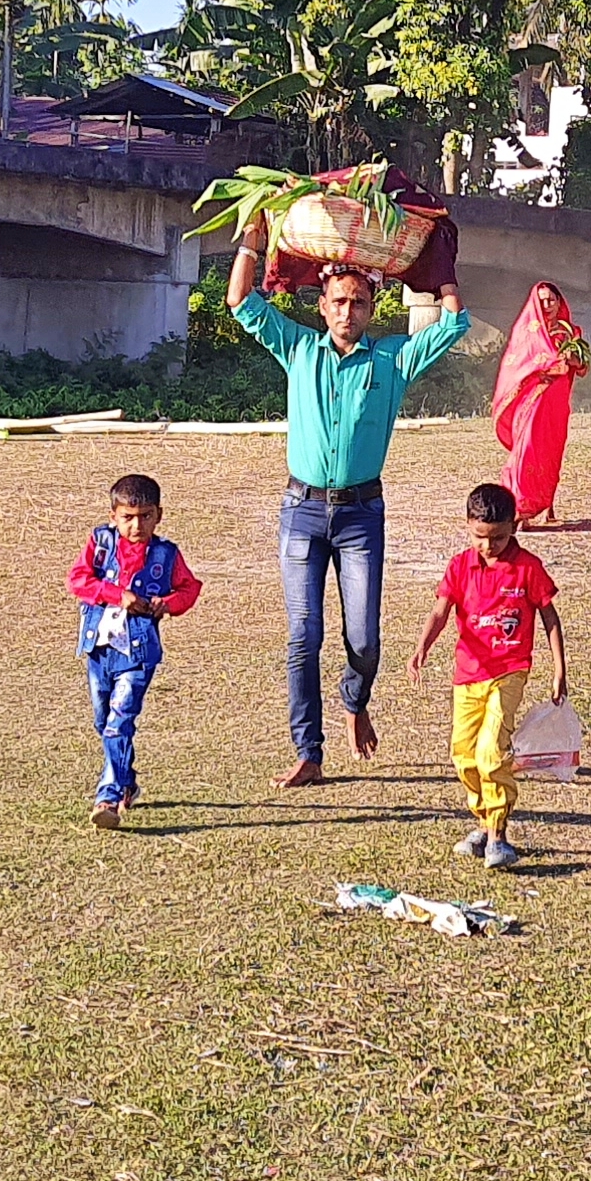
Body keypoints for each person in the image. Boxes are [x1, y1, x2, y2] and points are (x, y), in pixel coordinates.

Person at [227, 214, 467, 786]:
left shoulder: (391, 360)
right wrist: (253, 243)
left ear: (371, 308)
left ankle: (355, 701)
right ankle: (308, 750)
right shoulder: (299, 350)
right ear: (322, 305)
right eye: (338, 301)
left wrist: (441, 270)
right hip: (301, 511)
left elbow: (455, 325)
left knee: (363, 637)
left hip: (361, 514)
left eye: (358, 303)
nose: (346, 312)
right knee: (302, 635)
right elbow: (239, 300)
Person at [408, 480, 566, 871]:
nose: (488, 546)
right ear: (467, 526)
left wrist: (559, 667)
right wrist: (422, 647)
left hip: (509, 672)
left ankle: (498, 833)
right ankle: (481, 820)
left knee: (491, 751)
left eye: (497, 537)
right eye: (480, 537)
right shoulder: (461, 566)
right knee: (463, 756)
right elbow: (441, 611)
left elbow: (549, 617)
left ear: (513, 526)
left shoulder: (528, 568)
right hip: (468, 675)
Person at [63, 473, 203, 828]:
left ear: (159, 515)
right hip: (99, 648)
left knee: (118, 722)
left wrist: (167, 604)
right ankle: (126, 781)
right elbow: (78, 580)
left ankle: (107, 797)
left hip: (138, 654)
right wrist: (116, 594)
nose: (136, 525)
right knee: (103, 719)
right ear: (113, 516)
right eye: (127, 517)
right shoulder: (101, 543)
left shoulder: (166, 554)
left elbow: (189, 589)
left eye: (145, 516)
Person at [490, 280, 585, 528]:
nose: (547, 305)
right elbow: (516, 365)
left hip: (556, 401)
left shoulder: (571, 332)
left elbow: (582, 367)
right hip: (531, 400)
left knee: (551, 453)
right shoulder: (527, 333)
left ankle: (544, 503)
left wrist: (572, 359)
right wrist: (543, 367)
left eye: (551, 300)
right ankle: (519, 505)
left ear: (559, 302)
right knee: (526, 450)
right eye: (542, 300)